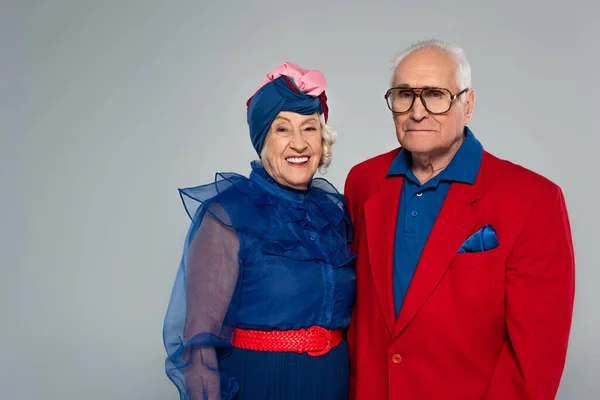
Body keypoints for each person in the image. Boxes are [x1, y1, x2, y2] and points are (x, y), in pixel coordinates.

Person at [344, 39, 575, 400]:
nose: (416, 112)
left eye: (435, 94)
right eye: (404, 94)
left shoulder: (534, 199)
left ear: (467, 105)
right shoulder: (363, 182)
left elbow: (535, 360)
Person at [162, 62, 356, 400]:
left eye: (309, 128)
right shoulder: (227, 216)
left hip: (332, 383)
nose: (299, 143)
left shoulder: (334, 215)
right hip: (262, 382)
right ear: (262, 140)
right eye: (282, 130)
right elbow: (199, 344)